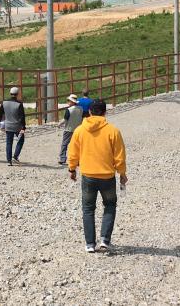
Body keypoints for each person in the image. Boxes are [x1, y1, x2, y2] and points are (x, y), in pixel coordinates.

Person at [67, 99, 127, 253]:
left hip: (88, 175)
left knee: (88, 209)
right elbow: (119, 156)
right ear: (105, 112)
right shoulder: (113, 131)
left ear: (90, 113)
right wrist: (122, 173)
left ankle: (89, 244)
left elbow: (73, 152)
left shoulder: (80, 130)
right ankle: (105, 240)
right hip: (107, 176)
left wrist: (72, 169)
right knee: (110, 205)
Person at [0, 86, 26, 166]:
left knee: (9, 143)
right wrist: (23, 127)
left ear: (10, 93)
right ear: (17, 94)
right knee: (21, 140)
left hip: (8, 125)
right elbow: (22, 116)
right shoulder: (19, 104)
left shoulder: (4, 102)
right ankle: (15, 156)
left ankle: (9, 160)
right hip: (17, 126)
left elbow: (0, 114)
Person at [58, 94, 84, 165]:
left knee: (64, 144)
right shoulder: (81, 109)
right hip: (78, 130)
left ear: (72, 102)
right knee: (77, 145)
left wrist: (59, 124)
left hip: (68, 129)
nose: (68, 102)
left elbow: (65, 120)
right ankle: (78, 160)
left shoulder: (69, 110)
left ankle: (62, 158)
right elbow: (82, 118)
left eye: (69, 101)